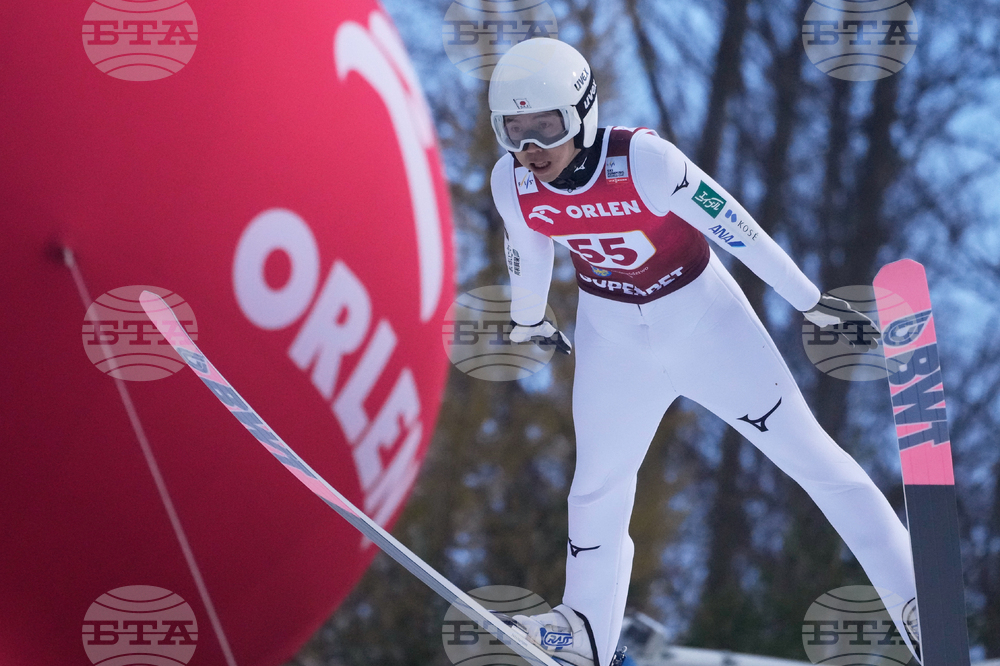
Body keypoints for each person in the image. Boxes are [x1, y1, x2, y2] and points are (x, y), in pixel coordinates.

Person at [487, 37, 921, 666]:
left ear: (582, 112)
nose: (530, 148)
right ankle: (585, 631)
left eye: (545, 127)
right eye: (513, 129)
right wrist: (527, 321)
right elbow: (529, 253)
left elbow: (736, 227)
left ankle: (913, 601)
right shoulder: (513, 180)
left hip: (706, 327)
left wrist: (809, 301)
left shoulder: (645, 161)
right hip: (614, 342)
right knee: (595, 490)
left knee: (812, 459)